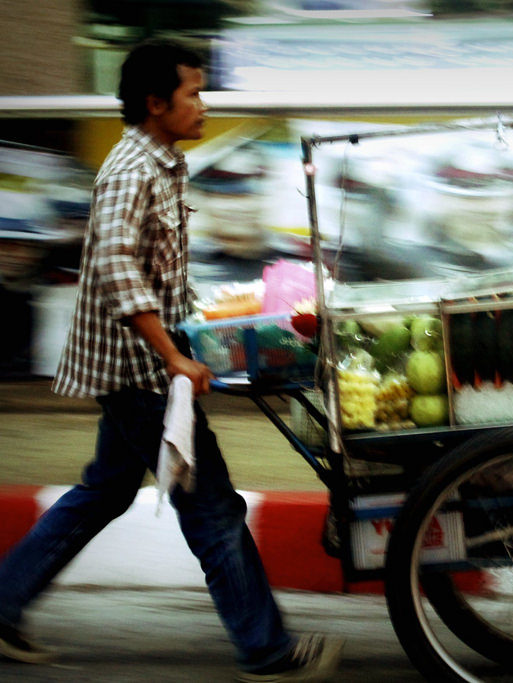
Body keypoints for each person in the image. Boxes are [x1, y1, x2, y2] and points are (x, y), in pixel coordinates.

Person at [0, 39, 344, 682]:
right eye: (194, 93)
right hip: (139, 372)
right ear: (157, 103)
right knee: (212, 507)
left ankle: (3, 604)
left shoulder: (163, 162)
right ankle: (267, 651)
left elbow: (162, 276)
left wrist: (215, 331)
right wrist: (175, 359)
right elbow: (114, 270)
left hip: (148, 364)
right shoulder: (132, 170)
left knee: (104, 491)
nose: (204, 106)